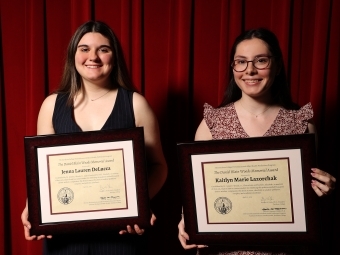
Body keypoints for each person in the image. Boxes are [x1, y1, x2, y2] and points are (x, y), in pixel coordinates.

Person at [178, 28, 336, 255]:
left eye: (261, 61)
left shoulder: (302, 126)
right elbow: (196, 191)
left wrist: (323, 189)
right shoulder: (211, 124)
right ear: (233, 68)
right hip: (224, 249)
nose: (250, 70)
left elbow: (304, 199)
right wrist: (186, 220)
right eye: (241, 62)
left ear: (278, 66)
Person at [21, 20, 168, 254]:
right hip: (65, 239)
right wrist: (33, 206)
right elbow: (41, 172)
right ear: (73, 55)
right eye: (84, 49)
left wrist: (138, 205)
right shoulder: (51, 105)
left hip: (121, 236)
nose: (93, 57)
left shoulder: (136, 104)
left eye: (103, 49)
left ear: (114, 56)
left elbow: (159, 166)